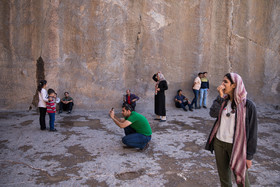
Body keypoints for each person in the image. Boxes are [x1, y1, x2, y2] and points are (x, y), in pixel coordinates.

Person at [205, 73, 257, 187]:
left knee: (243, 181)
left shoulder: (248, 106)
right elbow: (212, 114)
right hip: (219, 143)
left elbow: (253, 133)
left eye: (225, 82)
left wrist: (249, 156)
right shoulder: (223, 101)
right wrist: (220, 96)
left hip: (236, 146)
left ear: (234, 85)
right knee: (224, 179)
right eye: (222, 81)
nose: (222, 84)